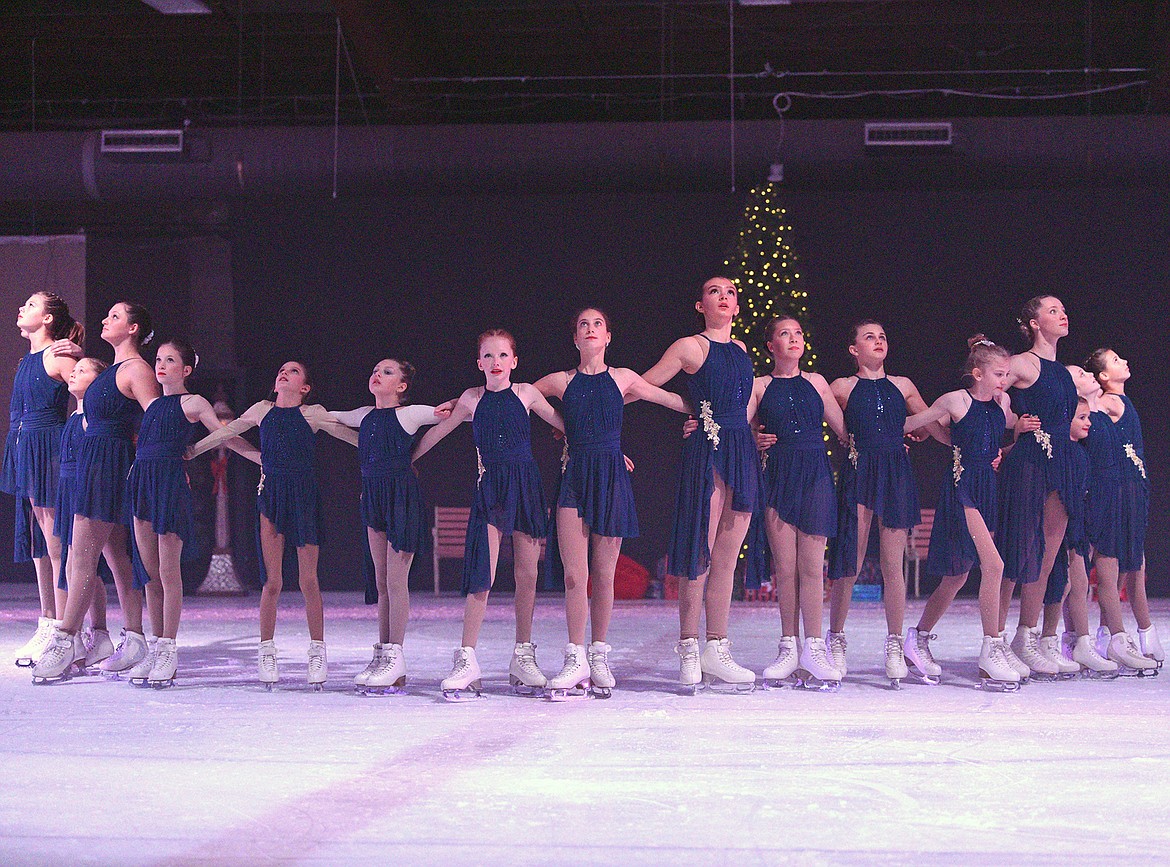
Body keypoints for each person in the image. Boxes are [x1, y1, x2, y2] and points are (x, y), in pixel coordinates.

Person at [533, 307, 689, 699]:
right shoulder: (560, 380)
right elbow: (519, 397)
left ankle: (598, 654)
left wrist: (708, 414)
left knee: (604, 574)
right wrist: (564, 427)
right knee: (574, 575)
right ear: (575, 338)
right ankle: (575, 657)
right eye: (583, 324)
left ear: (607, 337)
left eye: (598, 324)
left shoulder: (623, 379)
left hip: (611, 479)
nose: (590, 329)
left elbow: (669, 398)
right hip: (575, 477)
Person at [186, 360, 358, 690]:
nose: (283, 373)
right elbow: (225, 433)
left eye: (293, 371)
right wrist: (193, 451)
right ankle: (266, 652)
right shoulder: (261, 409)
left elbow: (352, 437)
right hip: (272, 496)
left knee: (309, 580)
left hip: (304, 498)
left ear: (304, 387)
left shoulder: (313, 413)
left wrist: (394, 455)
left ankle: (317, 651)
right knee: (273, 582)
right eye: (281, 369)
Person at [413, 329, 563, 701]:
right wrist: (407, 461)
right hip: (490, 489)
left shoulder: (526, 393)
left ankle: (523, 656)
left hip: (526, 486)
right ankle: (467, 658)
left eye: (502, 355)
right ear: (478, 363)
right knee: (482, 573)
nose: (495, 362)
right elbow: (440, 430)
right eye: (488, 356)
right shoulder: (471, 399)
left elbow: (564, 424)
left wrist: (601, 450)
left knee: (527, 574)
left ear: (514, 361)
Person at [641, 277, 760, 693]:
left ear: (737, 306)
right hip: (708, 450)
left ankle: (716, 648)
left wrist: (753, 433)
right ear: (700, 305)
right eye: (714, 292)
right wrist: (687, 406)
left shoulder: (743, 350)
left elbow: (744, 404)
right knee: (700, 552)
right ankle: (689, 646)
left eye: (729, 292)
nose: (723, 296)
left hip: (740, 449)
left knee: (728, 559)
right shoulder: (691, 347)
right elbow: (645, 383)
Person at [33, 302, 160, 683]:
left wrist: (153, 465)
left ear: (134, 327)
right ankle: (134, 637)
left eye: (116, 316)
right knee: (114, 556)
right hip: (97, 462)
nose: (106, 320)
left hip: (110, 464)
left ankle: (65, 638)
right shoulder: (116, 369)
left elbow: (155, 416)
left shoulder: (136, 369)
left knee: (81, 556)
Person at [901, 336, 1034, 690]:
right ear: (977, 373)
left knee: (957, 576)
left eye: (1006, 374)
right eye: (999, 373)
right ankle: (992, 649)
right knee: (995, 566)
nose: (1005, 380)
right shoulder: (956, 401)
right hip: (962, 490)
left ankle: (918, 638)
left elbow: (1001, 432)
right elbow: (914, 422)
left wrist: (1014, 435)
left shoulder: (1001, 403)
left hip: (987, 488)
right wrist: (925, 435)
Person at [126, 340, 260, 687]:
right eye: (158, 359)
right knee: (150, 574)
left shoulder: (194, 402)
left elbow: (225, 436)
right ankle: (156, 646)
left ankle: (169, 649)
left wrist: (260, 458)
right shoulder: (152, 403)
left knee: (169, 574)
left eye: (170, 360)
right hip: (141, 483)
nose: (161, 364)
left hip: (170, 485)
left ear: (186, 370)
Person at [825, 319, 937, 688]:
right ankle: (836, 638)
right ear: (854, 349)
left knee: (893, 565)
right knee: (849, 562)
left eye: (883, 336)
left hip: (895, 473)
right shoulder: (841, 386)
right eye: (869, 337)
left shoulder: (903, 385)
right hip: (859, 471)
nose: (878, 341)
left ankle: (893, 643)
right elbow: (826, 423)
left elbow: (928, 423)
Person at [745, 316, 847, 690]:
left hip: (816, 474)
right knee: (785, 569)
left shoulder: (817, 383)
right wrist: (753, 441)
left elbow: (843, 432)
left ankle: (814, 648)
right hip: (777, 476)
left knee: (811, 567)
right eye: (784, 334)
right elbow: (740, 430)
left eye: (799, 333)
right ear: (771, 345)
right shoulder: (759, 386)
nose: (794, 339)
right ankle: (789, 646)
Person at [331, 358, 438, 695]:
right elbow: (329, 417)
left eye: (387, 372)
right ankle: (383, 655)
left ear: (402, 387)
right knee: (381, 582)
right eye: (375, 370)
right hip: (372, 498)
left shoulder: (409, 414)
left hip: (401, 497)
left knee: (395, 579)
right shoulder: (364, 416)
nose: (377, 374)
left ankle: (396, 655)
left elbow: (450, 414)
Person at [996, 296, 1079, 680]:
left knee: (1048, 554)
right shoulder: (1023, 362)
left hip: (1062, 458)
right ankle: (995, 640)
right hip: (1030, 460)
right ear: (1032, 322)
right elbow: (991, 393)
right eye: (1052, 311)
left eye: (1062, 310)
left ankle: (1026, 637)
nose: (1061, 315)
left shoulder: (1060, 371)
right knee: (1021, 549)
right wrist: (1012, 424)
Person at [4, 292, 82, 666]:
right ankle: (48, 620)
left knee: (55, 542)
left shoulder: (57, 354)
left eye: (31, 305)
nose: (22, 309)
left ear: (48, 319)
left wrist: (81, 359)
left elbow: (87, 390)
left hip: (47, 448)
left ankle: (67, 632)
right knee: (38, 541)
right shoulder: (29, 358)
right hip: (25, 448)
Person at [1085, 347, 1163, 670]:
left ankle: (1112, 634)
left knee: (1133, 565)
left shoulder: (1123, 401)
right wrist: (1087, 392)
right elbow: (1087, 409)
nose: (1125, 361)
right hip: (1112, 489)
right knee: (1113, 563)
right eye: (1116, 361)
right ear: (1103, 376)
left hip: (1131, 488)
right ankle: (1119, 636)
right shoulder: (1107, 401)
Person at [52, 357, 115, 669]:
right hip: (68, 492)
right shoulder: (74, 417)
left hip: (86, 490)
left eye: (83, 369)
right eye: (73, 369)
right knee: (73, 564)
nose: (74, 372)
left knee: (82, 563)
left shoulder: (92, 419)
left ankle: (87, 632)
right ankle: (86, 633)